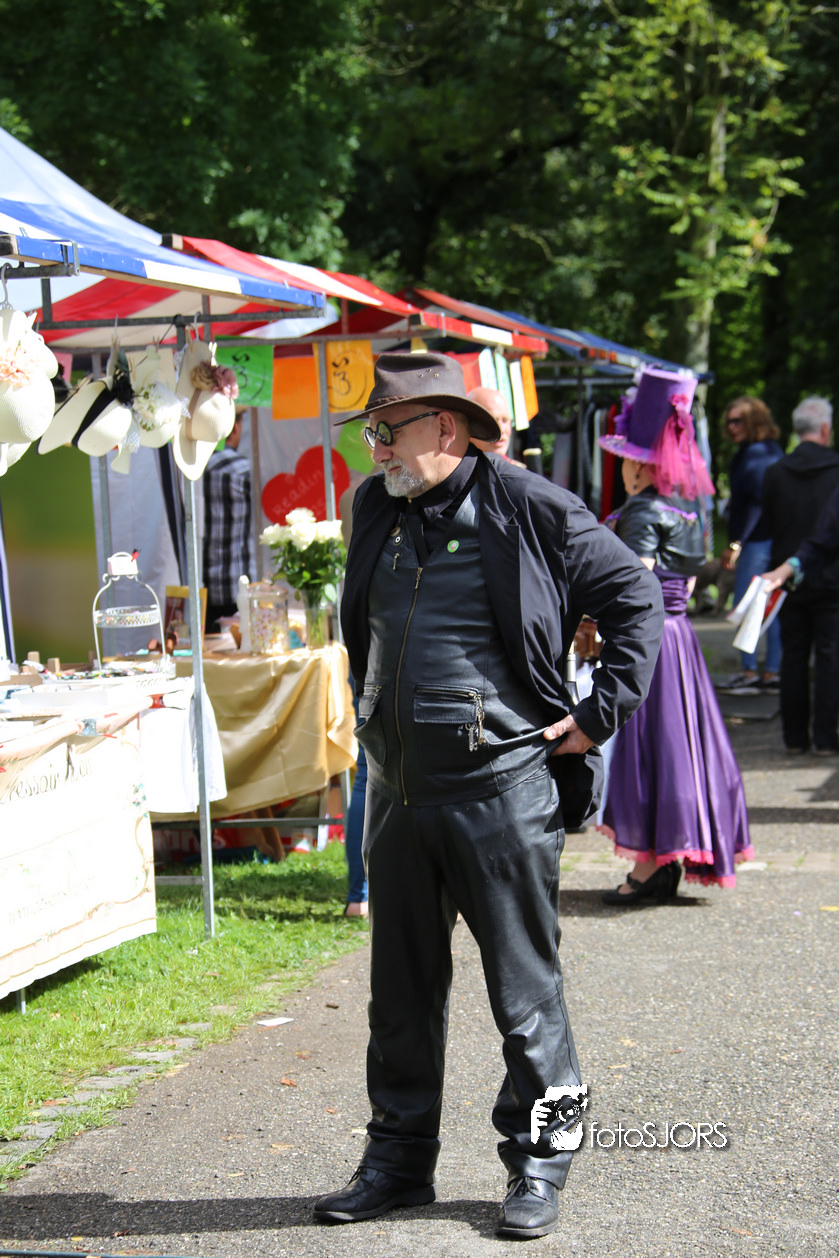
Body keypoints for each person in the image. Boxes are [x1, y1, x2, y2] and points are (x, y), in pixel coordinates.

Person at [314, 351, 664, 1239]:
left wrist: (597, 714)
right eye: (368, 431)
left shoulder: (526, 502)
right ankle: (397, 1163)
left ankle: (543, 1163)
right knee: (397, 996)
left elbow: (634, 595)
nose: (373, 447)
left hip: (501, 789)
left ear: (445, 426)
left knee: (526, 995)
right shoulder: (372, 507)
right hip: (396, 791)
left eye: (386, 430)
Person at [597, 368, 753, 903]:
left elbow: (634, 584)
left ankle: (648, 865)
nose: (621, 466)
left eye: (625, 457)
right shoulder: (688, 508)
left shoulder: (642, 511)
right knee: (680, 746)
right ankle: (667, 859)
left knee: (649, 750)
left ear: (641, 463)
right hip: (679, 638)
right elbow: (685, 582)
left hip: (649, 640)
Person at [760, 397, 839, 755]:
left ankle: (794, 738)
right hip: (831, 575)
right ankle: (825, 738)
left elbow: (767, 524)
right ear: (825, 429)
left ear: (795, 429)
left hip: (788, 575)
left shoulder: (776, 472)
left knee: (792, 655)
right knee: (830, 656)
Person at [719, 395, 784, 691]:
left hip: (758, 541)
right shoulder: (769, 450)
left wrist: (737, 543)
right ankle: (770, 672)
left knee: (748, 605)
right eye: (729, 421)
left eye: (738, 421)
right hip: (773, 539)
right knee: (768, 606)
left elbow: (757, 503)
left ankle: (750, 673)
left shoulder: (756, 453)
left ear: (753, 421)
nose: (731, 427)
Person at [202, 410, 254, 631]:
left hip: (205, 585)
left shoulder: (195, 469)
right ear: (234, 428)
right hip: (238, 584)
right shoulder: (244, 470)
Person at [467, 384, 524, 463]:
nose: (501, 430)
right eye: (492, 422)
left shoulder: (517, 469)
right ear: (468, 426)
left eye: (505, 421)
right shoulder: (455, 469)